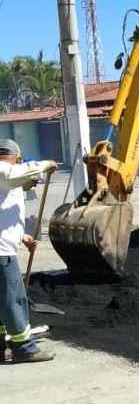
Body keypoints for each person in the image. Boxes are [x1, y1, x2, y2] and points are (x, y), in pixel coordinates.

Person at [0, 139, 57, 363]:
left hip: (3, 247)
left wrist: (22, 237)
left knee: (2, 301)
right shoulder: (4, 170)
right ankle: (24, 347)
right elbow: (12, 174)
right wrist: (45, 164)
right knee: (13, 300)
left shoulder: (6, 188)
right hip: (1, 254)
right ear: (14, 157)